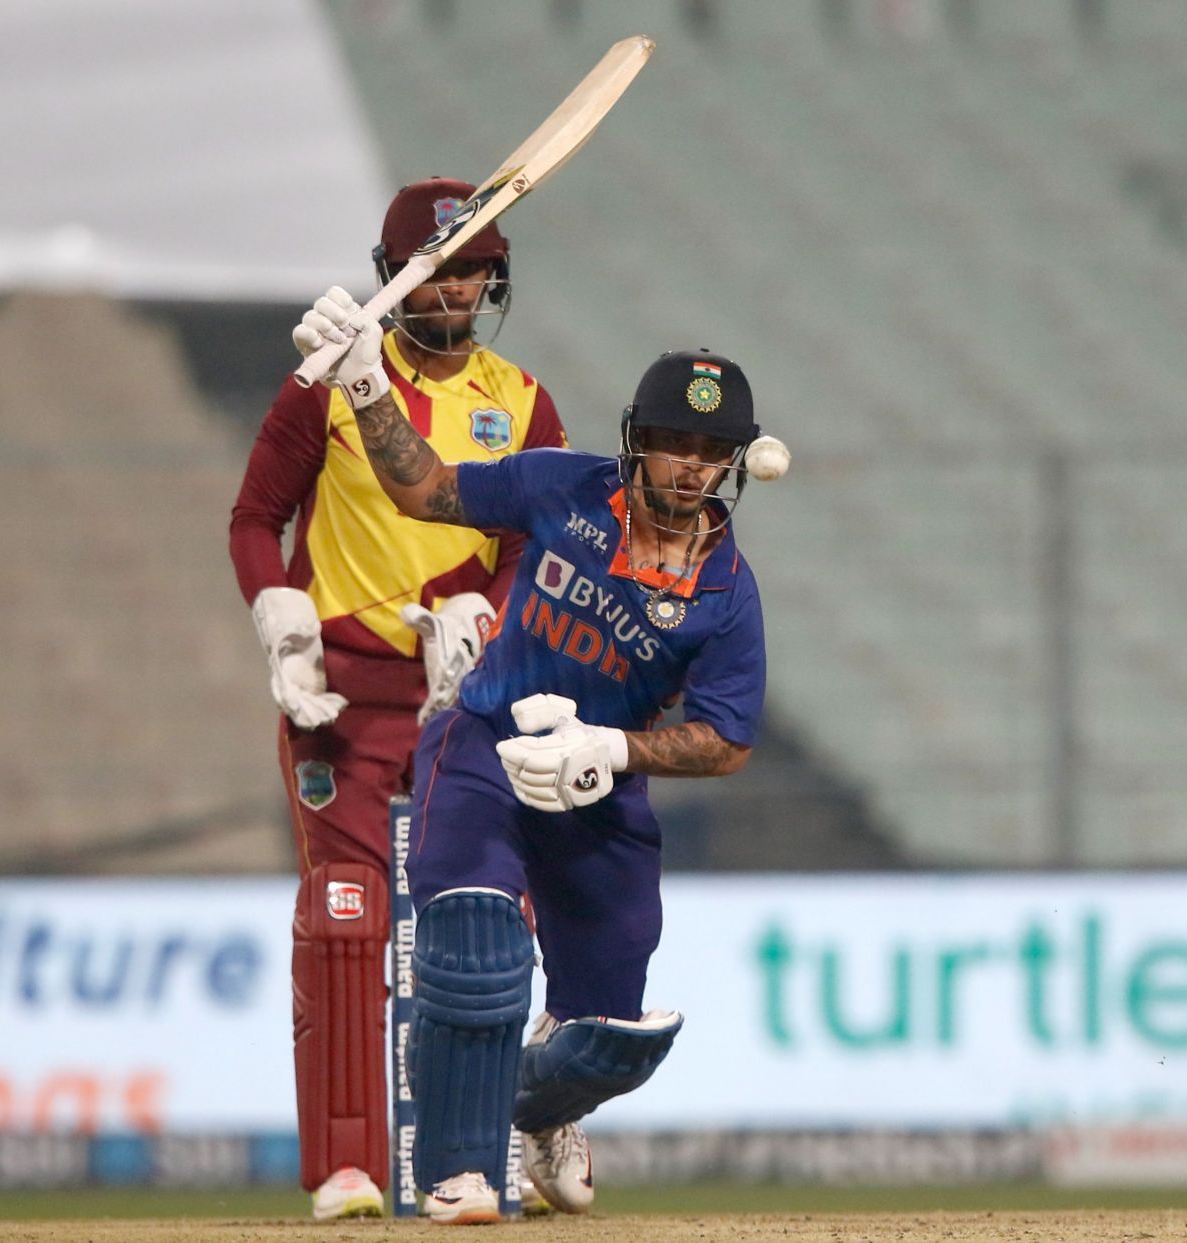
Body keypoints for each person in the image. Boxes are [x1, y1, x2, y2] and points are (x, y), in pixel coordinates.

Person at [292, 287, 769, 1225]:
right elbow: (425, 489)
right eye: (680, 442)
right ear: (637, 439)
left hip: (598, 785)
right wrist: (363, 382)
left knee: (610, 1036)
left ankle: (545, 1115)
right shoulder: (563, 484)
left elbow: (726, 740)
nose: (696, 467)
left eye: (717, 453)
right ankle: (459, 1167)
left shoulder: (727, 591)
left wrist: (611, 748)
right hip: (484, 740)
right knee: (473, 943)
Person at [229, 180, 566, 1222]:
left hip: (465, 699)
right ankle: (347, 1165)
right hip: (342, 698)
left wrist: (489, 621)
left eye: (472, 268)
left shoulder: (521, 401)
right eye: (437, 268)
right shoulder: (325, 381)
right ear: (395, 275)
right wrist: (281, 623)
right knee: (346, 919)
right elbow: (255, 519)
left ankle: (500, 1150)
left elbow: (534, 547)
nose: (456, 287)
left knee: (481, 931)